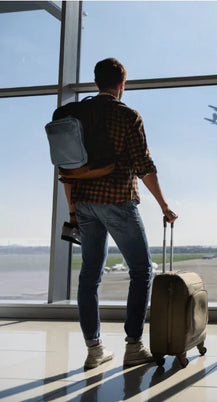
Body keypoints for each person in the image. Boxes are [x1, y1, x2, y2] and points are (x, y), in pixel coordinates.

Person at [61, 58, 178, 369]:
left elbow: (66, 170)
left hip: (84, 203)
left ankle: (94, 349)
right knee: (141, 271)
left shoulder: (75, 115)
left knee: (90, 276)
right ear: (122, 85)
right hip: (117, 200)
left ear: (97, 82)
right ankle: (133, 345)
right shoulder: (128, 116)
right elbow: (144, 166)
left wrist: (73, 209)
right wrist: (164, 205)